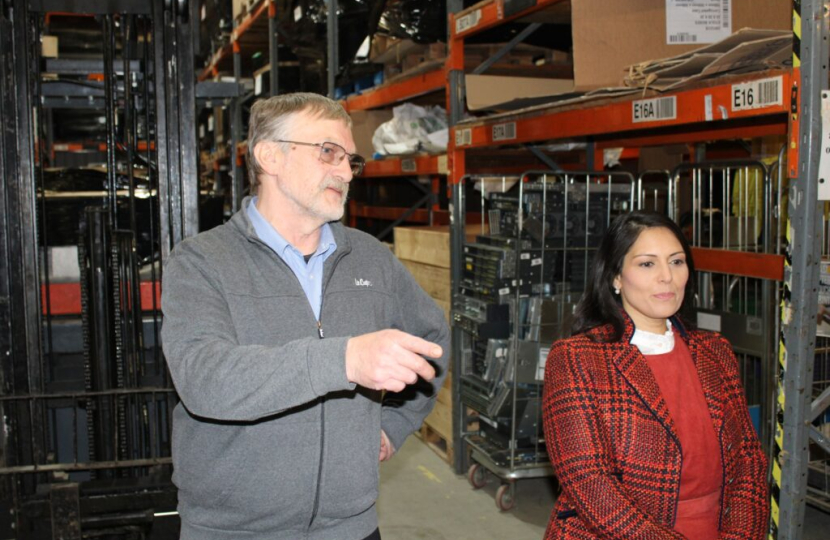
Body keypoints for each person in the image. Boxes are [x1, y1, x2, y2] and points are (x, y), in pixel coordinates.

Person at [161, 92, 450, 540]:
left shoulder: (370, 260)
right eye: (328, 153)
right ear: (270, 156)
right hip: (232, 531)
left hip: (351, 528)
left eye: (350, 160)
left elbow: (433, 339)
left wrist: (394, 423)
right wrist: (344, 360)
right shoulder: (202, 262)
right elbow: (204, 379)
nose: (344, 171)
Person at [542, 210, 768, 539]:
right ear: (616, 277)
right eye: (647, 264)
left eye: (676, 262)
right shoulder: (577, 359)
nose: (667, 277)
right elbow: (589, 482)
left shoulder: (714, 351)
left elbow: (748, 458)